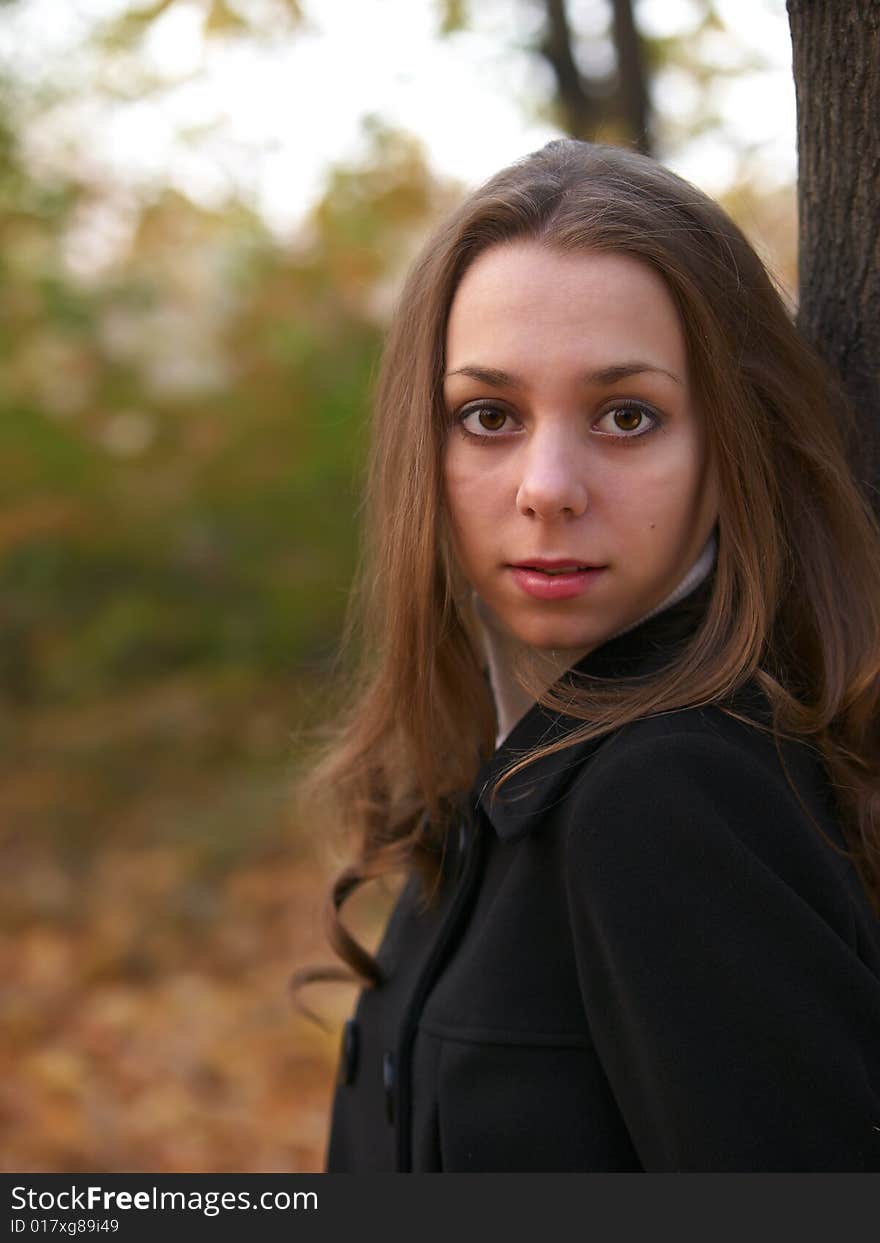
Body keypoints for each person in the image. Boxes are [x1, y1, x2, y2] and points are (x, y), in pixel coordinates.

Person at [293, 140, 880, 1172]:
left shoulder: (666, 795)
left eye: (625, 416)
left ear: (732, 442)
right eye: (487, 416)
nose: (546, 487)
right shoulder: (501, 768)